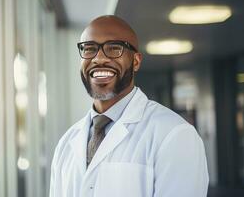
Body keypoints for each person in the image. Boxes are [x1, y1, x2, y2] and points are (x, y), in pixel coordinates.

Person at [49, 15, 209, 197]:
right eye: (89, 49)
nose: (99, 58)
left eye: (114, 48)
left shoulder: (175, 134)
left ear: (136, 61)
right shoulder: (66, 143)